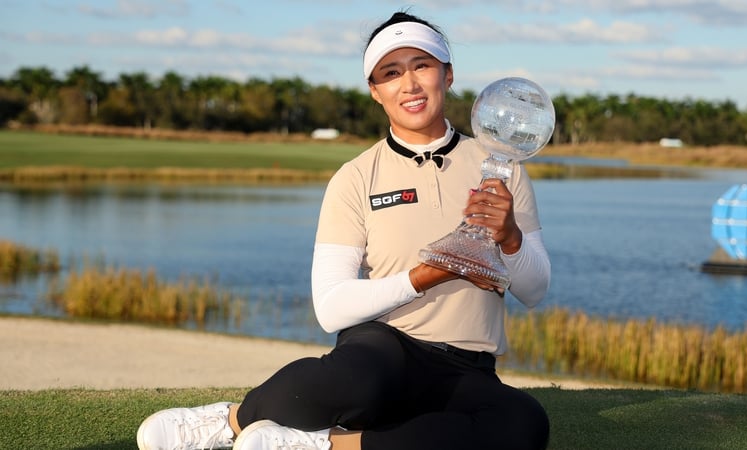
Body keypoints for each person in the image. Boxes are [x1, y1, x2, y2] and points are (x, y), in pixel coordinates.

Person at [137, 10, 551, 450]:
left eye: (422, 65)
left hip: (468, 367)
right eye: (390, 73)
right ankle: (231, 422)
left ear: (447, 76)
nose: (408, 84)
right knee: (358, 379)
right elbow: (331, 308)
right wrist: (427, 275)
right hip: (383, 350)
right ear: (375, 91)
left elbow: (535, 290)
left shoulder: (501, 172)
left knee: (523, 425)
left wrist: (509, 238)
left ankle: (322, 446)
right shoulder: (355, 177)